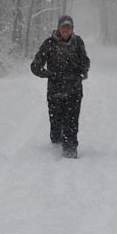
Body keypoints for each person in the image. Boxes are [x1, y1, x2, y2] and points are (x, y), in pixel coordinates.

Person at [30, 15, 90, 158]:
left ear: (72, 29)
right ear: (58, 28)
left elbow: (85, 62)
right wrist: (49, 74)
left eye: (69, 28)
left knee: (71, 120)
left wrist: (82, 73)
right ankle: (56, 139)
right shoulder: (49, 43)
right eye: (63, 27)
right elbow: (35, 66)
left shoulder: (78, 42)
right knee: (56, 122)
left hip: (74, 90)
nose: (66, 30)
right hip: (55, 91)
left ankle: (70, 148)